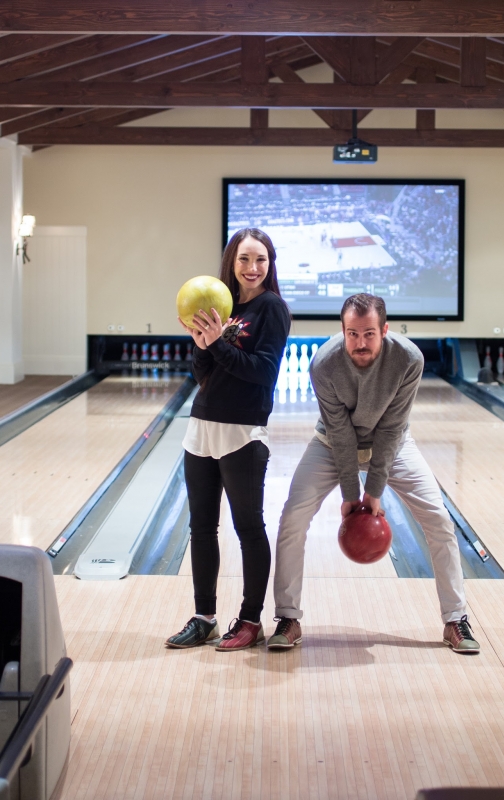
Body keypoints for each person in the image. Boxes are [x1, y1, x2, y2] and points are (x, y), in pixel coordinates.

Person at [267, 293, 480, 654]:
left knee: (439, 520)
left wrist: (373, 493)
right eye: (352, 334)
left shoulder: (409, 359)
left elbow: (391, 430)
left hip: (393, 442)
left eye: (368, 334)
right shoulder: (324, 364)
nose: (360, 343)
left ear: (384, 330)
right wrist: (352, 496)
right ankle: (288, 617)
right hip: (332, 443)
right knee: (292, 517)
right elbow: (339, 432)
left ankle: (455, 619)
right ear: (342, 330)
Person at [166, 228, 290, 652]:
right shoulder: (221, 304)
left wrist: (217, 343)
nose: (252, 268)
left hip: (242, 431)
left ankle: (251, 619)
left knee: (248, 528)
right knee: (201, 528)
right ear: (231, 263)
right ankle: (205, 618)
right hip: (201, 428)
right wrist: (202, 343)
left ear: (270, 265)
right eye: (244, 259)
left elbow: (262, 371)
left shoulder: (272, 308)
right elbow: (204, 374)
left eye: (260, 259)